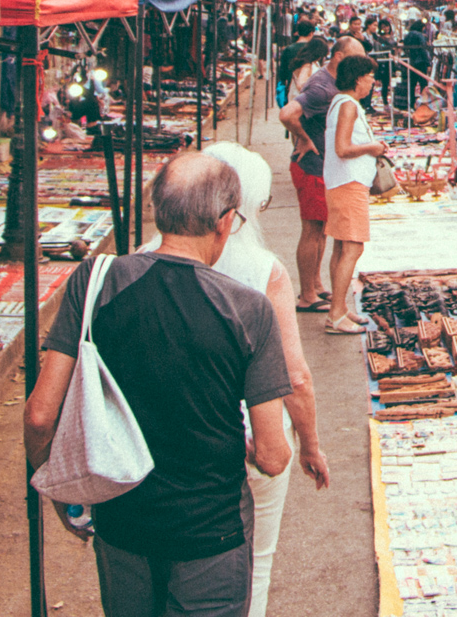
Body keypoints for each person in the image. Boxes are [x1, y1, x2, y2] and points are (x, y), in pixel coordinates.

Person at [25, 152, 292, 617]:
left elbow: (39, 415)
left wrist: (59, 491)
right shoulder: (247, 309)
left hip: (122, 523)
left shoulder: (96, 282)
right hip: (213, 535)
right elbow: (272, 456)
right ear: (225, 222)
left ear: (156, 209)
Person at [142, 143, 330, 617]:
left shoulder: (137, 261)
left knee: (158, 562)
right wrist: (308, 444)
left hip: (157, 436)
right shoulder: (263, 270)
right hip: (244, 440)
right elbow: (295, 377)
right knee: (253, 563)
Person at [277, 36, 360, 312]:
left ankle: (315, 284)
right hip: (309, 166)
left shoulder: (331, 82)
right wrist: (302, 137)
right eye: (353, 57)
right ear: (337, 56)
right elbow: (287, 113)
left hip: (319, 165)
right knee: (312, 231)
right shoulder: (322, 86)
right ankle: (306, 296)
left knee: (321, 230)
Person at [322, 53, 387, 335]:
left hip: (343, 182)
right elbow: (342, 148)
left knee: (341, 246)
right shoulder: (347, 105)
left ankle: (341, 306)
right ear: (359, 78)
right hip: (348, 183)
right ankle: (336, 315)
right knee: (353, 247)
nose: (373, 81)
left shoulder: (344, 103)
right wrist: (372, 148)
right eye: (371, 76)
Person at [275, 23, 316, 107]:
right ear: (311, 33)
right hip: (311, 91)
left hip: (292, 88)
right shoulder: (313, 49)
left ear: (298, 32)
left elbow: (283, 73)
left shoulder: (288, 49)